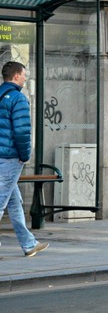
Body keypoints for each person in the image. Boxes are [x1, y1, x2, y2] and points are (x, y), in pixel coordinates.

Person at [0, 61, 48, 257]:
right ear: (16, 76)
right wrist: (24, 155)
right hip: (10, 157)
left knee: (14, 201)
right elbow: (21, 131)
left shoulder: (1, 95)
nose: (26, 78)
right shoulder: (18, 98)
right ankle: (28, 244)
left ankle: (29, 244)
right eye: (24, 74)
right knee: (2, 200)